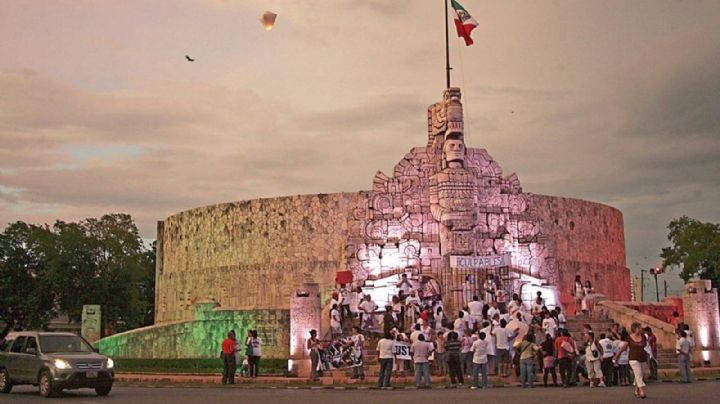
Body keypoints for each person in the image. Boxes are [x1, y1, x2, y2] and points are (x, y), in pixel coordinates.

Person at [616, 322, 648, 398]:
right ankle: (642, 391)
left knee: (640, 374)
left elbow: (646, 346)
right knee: (638, 373)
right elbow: (624, 348)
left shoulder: (643, 337)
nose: (640, 329)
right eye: (639, 328)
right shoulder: (629, 338)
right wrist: (617, 356)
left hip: (643, 357)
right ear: (634, 329)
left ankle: (636, 389)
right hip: (633, 358)